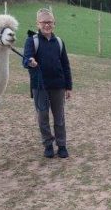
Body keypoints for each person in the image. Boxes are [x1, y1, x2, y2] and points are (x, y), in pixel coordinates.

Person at [22, 8, 73, 158]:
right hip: (39, 86)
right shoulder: (32, 41)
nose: (47, 25)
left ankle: (62, 145)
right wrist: (29, 61)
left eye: (50, 22)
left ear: (54, 24)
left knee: (59, 117)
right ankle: (48, 145)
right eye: (44, 22)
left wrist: (68, 86)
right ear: (37, 24)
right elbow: (26, 59)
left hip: (58, 85)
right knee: (43, 116)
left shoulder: (59, 42)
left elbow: (65, 65)